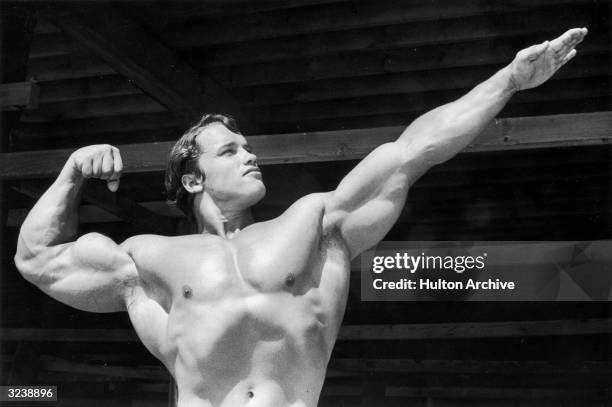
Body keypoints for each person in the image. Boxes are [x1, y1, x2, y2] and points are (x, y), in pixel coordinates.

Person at [14, 28, 587, 407]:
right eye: (230, 149)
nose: (250, 153)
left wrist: (509, 79)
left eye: (248, 145)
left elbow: (413, 150)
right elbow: (37, 260)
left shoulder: (314, 224)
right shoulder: (149, 261)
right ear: (193, 179)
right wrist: (70, 174)